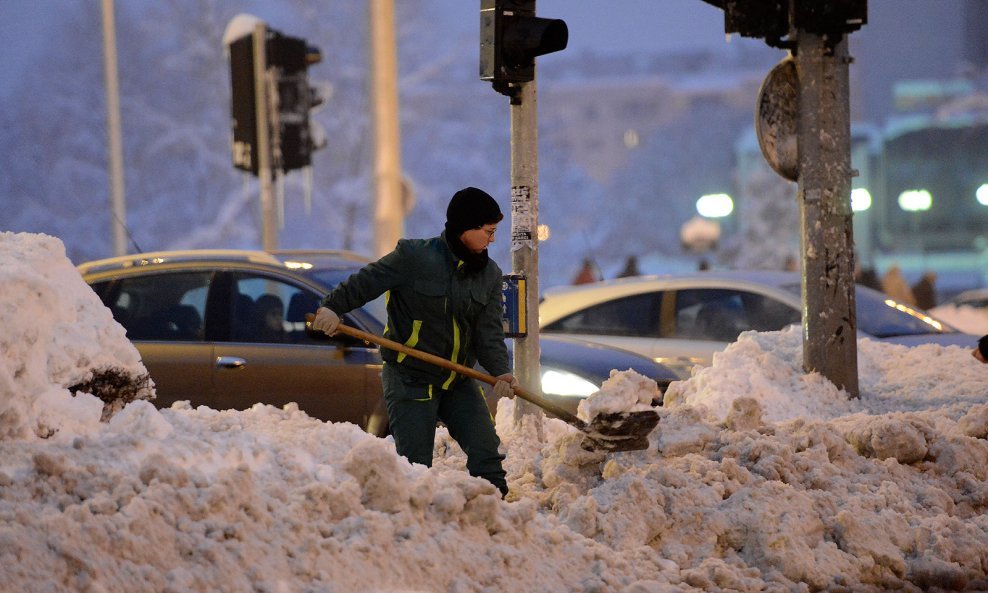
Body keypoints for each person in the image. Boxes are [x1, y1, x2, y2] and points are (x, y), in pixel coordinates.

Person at [311, 187, 518, 498]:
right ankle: (411, 528)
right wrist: (332, 307)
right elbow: (367, 281)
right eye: (488, 232)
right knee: (415, 466)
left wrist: (501, 371)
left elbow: (488, 333)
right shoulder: (415, 258)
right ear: (466, 227)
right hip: (411, 377)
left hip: (457, 378)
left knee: (487, 454)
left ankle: (501, 519)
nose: (492, 240)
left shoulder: (489, 274)